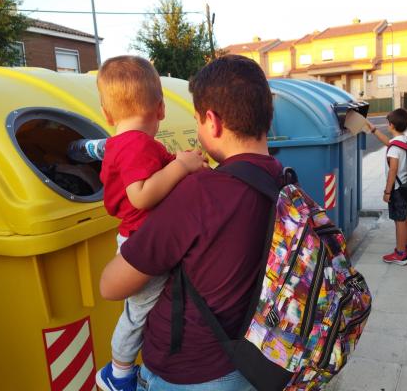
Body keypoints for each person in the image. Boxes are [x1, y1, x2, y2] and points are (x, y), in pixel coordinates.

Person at [99, 54, 282, 391]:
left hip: (190, 372)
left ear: (211, 122)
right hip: (253, 361)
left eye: (197, 120)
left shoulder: (199, 193)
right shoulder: (282, 180)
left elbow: (111, 286)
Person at [95, 55, 207, 391]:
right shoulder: (136, 144)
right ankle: (119, 371)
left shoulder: (124, 143)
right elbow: (141, 195)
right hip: (142, 245)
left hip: (137, 238)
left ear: (107, 114)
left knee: (143, 306)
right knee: (138, 312)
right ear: (160, 109)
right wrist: (180, 168)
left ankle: (126, 365)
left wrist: (177, 162)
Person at [367, 108, 407, 265]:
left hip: (396, 190)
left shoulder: (394, 149)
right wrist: (373, 130)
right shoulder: (403, 139)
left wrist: (387, 192)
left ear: (391, 125)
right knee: (404, 216)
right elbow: (389, 143)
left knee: (399, 221)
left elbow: (392, 170)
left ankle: (401, 254)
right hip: (405, 187)